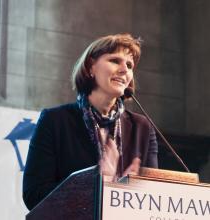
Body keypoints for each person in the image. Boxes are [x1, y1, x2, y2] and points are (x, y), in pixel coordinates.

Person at [23, 33, 158, 210]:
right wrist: (93, 184)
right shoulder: (55, 121)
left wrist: (130, 190)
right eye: (115, 61)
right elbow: (34, 195)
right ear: (90, 67)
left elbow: (154, 197)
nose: (125, 70)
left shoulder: (142, 128)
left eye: (130, 65)